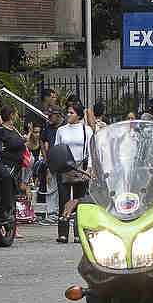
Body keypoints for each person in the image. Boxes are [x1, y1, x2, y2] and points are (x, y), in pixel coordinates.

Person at [49, 102, 90, 242]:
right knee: (63, 200)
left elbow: (91, 152)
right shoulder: (61, 130)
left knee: (79, 202)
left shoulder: (87, 130)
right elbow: (56, 148)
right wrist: (52, 168)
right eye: (67, 112)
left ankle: (79, 233)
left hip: (80, 168)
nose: (68, 115)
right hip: (64, 168)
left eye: (71, 113)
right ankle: (63, 233)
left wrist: (88, 170)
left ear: (78, 115)